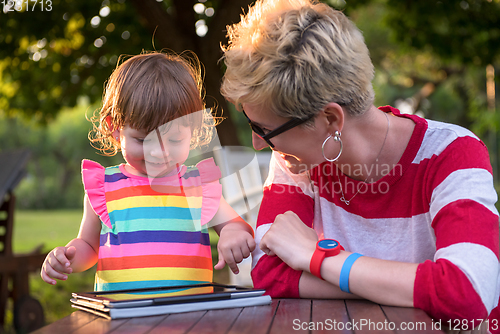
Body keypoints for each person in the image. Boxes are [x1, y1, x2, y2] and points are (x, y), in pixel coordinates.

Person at [220, 0, 500, 327]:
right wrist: (400, 285)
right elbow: (269, 274)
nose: (257, 143)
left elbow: (466, 294)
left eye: (264, 130)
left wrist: (319, 258)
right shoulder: (295, 162)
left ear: (329, 119)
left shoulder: (453, 153)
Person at [40, 52, 255, 291]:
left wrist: (232, 235)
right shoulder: (105, 187)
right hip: (123, 318)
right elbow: (89, 247)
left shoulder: (198, 186)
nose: (158, 153)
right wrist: (68, 257)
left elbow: (233, 224)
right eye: (143, 140)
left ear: (191, 131)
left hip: (189, 317)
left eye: (174, 140)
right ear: (115, 129)